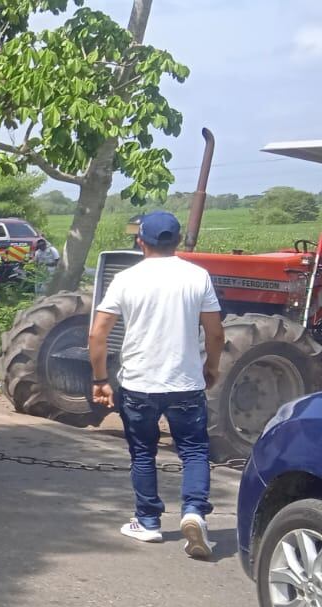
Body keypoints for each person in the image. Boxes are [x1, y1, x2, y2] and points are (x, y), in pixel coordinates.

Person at [87, 210, 222, 560]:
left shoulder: (126, 279)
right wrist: (211, 366)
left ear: (140, 241)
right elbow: (215, 331)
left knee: (143, 452)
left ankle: (147, 521)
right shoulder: (198, 277)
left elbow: (97, 333)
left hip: (139, 383)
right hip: (185, 382)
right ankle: (194, 512)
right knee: (194, 451)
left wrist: (100, 379)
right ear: (178, 241)